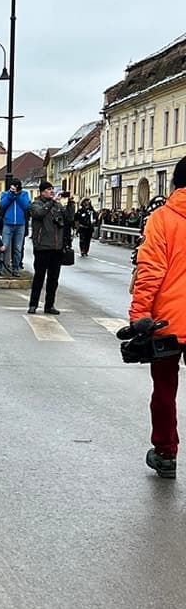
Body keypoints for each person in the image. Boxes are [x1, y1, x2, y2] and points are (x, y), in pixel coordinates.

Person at [129, 156, 186, 478]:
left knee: (164, 389)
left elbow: (150, 271)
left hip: (168, 323)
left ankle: (166, 453)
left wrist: (140, 314)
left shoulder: (162, 219)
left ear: (176, 183)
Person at [27, 181, 75, 315]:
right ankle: (33, 304)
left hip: (56, 247)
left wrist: (71, 203)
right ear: (42, 192)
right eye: (49, 190)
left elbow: (69, 219)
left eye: (52, 189)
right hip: (42, 246)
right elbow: (39, 214)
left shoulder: (57, 206)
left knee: (53, 279)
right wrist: (51, 202)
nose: (52, 192)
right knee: (39, 277)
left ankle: (49, 305)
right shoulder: (36, 204)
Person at [0, 177, 31, 277]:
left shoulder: (24, 194)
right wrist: (11, 195)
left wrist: (18, 195)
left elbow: (25, 206)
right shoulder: (5, 194)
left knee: (18, 248)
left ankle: (16, 268)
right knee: (4, 246)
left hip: (20, 224)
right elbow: (2, 205)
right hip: (8, 223)